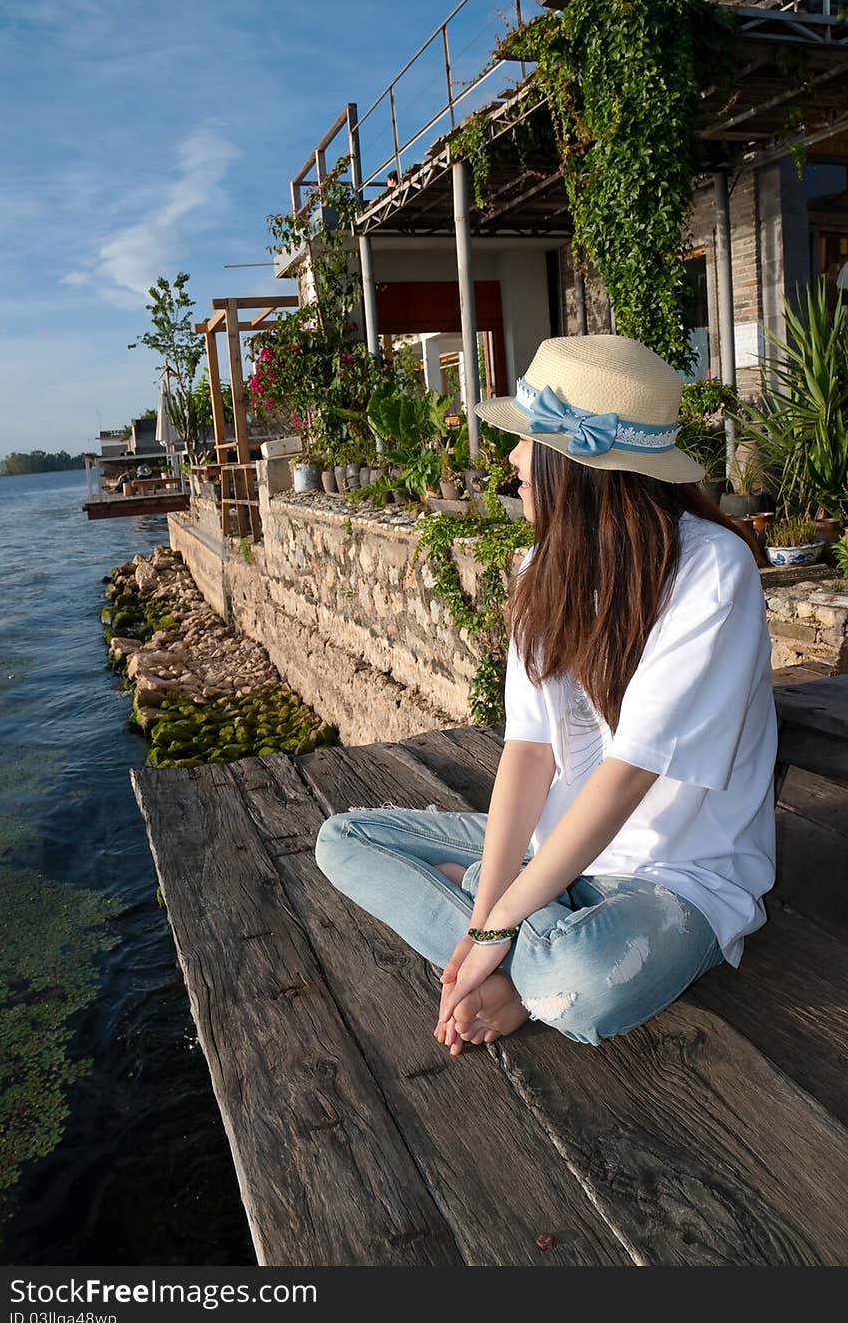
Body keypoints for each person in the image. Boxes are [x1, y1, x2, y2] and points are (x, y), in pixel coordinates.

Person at [314, 335, 777, 1056]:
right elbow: (527, 755)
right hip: (553, 851)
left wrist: (497, 920)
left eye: (529, 439)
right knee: (342, 840)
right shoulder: (543, 564)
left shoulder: (713, 573)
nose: (512, 460)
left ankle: (516, 950)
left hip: (677, 876)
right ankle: (514, 940)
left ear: (580, 465)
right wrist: (485, 920)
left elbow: (628, 775)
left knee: (580, 978)